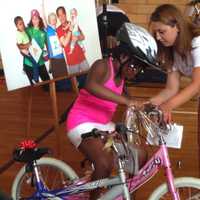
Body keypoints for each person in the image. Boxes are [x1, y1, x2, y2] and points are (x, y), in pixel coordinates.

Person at [66, 22, 157, 199]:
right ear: (122, 55)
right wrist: (128, 100)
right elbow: (91, 85)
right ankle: (94, 195)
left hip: (103, 125)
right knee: (104, 163)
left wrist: (148, 108)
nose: (136, 71)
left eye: (140, 68)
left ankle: (126, 194)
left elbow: (131, 102)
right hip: (81, 122)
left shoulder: (121, 77)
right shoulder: (102, 65)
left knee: (140, 155)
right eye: (134, 65)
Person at [148, 4, 200, 123]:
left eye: (161, 32)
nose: (158, 37)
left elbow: (197, 84)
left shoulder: (197, 43)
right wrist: (148, 104)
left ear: (177, 26)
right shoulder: (172, 50)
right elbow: (171, 89)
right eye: (156, 33)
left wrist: (167, 106)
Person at [56, 6, 90, 74]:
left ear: (65, 14)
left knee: (89, 77)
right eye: (59, 15)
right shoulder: (58, 29)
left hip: (82, 58)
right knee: (75, 83)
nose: (62, 17)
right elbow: (64, 43)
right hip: (72, 62)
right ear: (58, 17)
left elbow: (83, 37)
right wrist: (70, 30)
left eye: (63, 14)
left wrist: (77, 37)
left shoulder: (73, 23)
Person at [41, 1, 68, 78]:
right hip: (54, 59)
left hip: (62, 57)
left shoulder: (58, 30)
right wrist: (42, 6)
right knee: (57, 80)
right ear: (49, 21)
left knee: (66, 77)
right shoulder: (48, 30)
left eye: (55, 18)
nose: (54, 20)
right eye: (51, 19)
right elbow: (43, 18)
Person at [14, 16, 41, 85]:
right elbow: (19, 45)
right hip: (25, 50)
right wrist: (27, 45)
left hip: (29, 49)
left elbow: (28, 28)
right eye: (20, 24)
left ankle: (24, 68)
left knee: (34, 59)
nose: (22, 25)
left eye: (22, 23)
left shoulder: (23, 30)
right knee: (35, 62)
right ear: (16, 26)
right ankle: (35, 78)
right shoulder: (18, 34)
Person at [26, 9, 50, 83]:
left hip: (40, 62)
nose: (35, 20)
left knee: (48, 83)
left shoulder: (44, 31)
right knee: (35, 87)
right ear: (31, 20)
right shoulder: (28, 30)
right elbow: (21, 40)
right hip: (30, 63)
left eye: (36, 18)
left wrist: (49, 56)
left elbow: (48, 45)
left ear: (39, 19)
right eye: (33, 19)